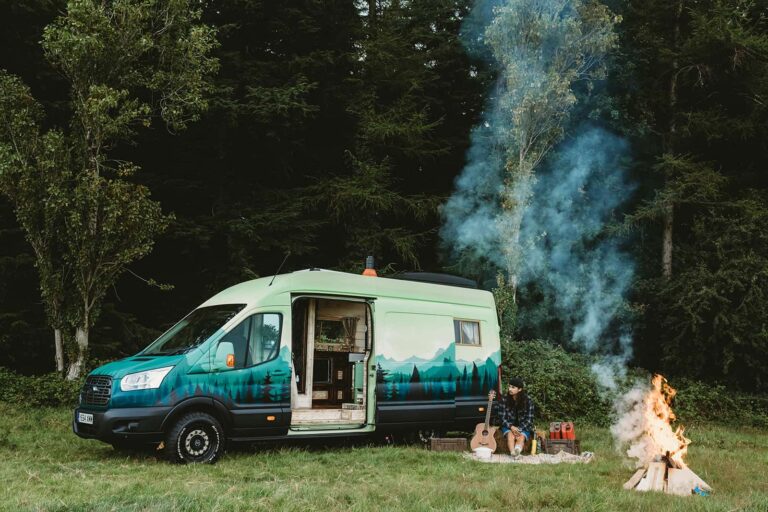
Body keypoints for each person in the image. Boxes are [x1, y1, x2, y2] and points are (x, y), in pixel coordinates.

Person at [493, 377, 535, 458]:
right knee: (510, 435)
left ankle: (517, 451)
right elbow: (502, 418)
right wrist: (511, 427)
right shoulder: (504, 399)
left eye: (513, 387)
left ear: (519, 389)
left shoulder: (528, 400)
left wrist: (519, 429)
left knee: (521, 437)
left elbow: (530, 419)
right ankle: (513, 453)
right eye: (509, 386)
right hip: (508, 425)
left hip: (523, 426)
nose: (510, 389)